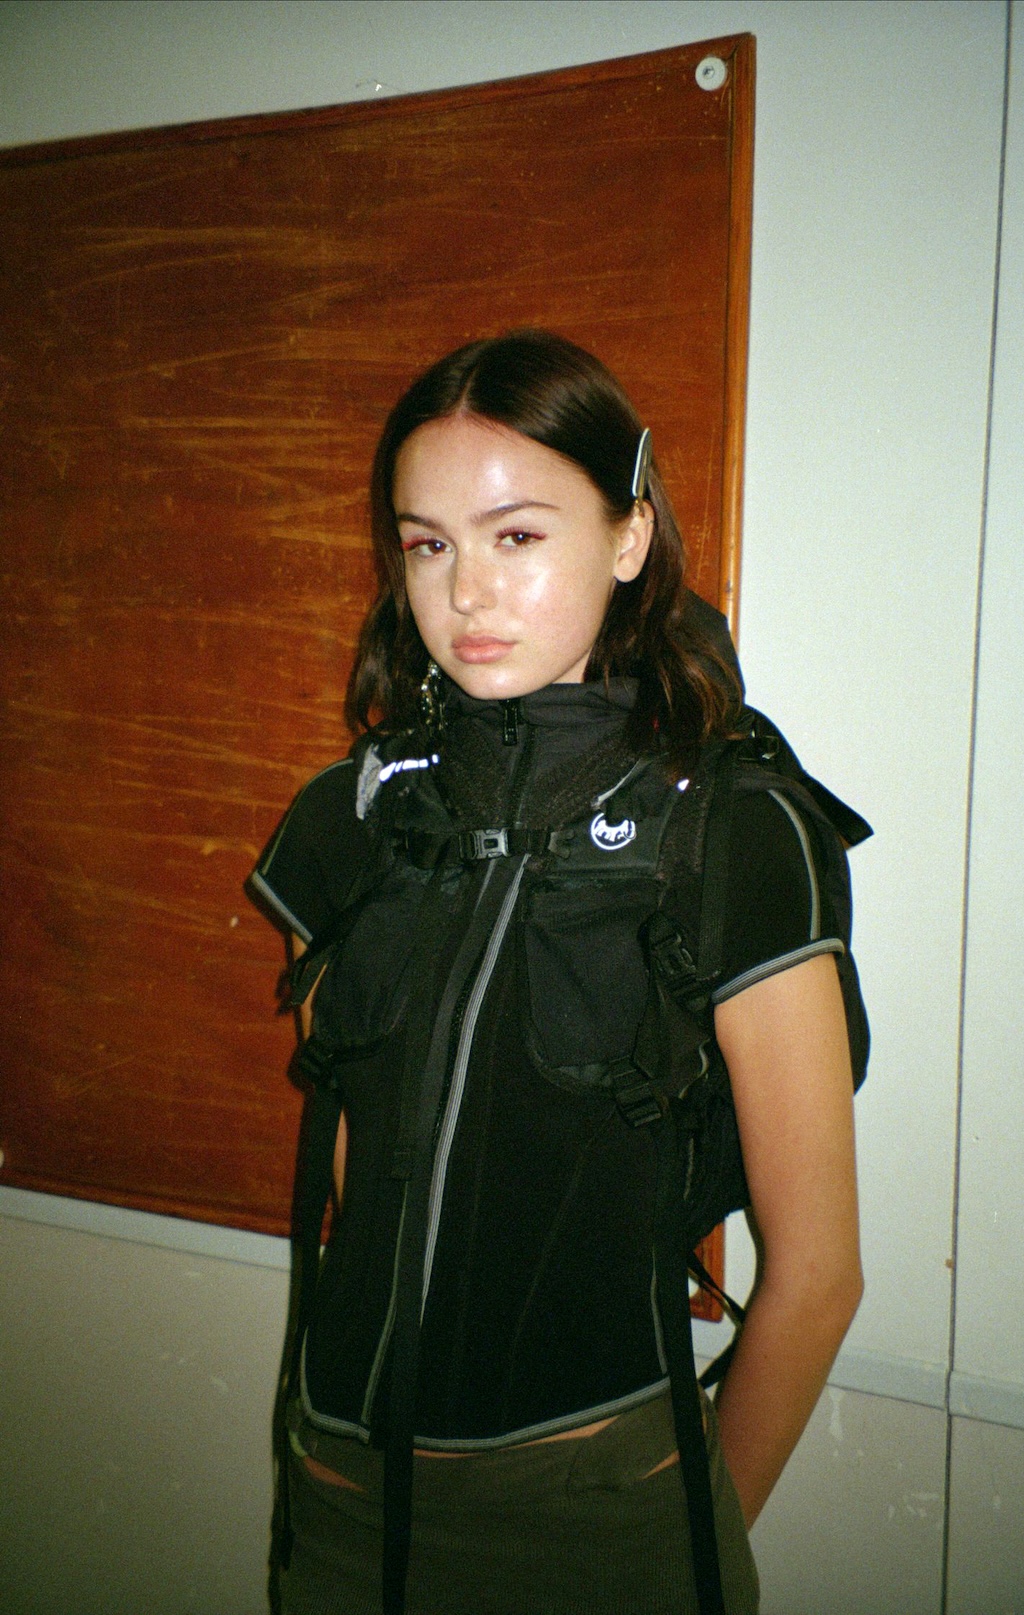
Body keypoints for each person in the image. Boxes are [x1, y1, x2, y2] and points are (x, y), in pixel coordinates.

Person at [250, 330, 867, 1615]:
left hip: (598, 1515)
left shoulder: (735, 829)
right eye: (428, 544)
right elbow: (363, 1168)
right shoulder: (355, 818)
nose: (467, 592)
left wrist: (684, 1536)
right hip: (339, 1492)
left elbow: (817, 1276)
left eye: (517, 535)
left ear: (629, 535)